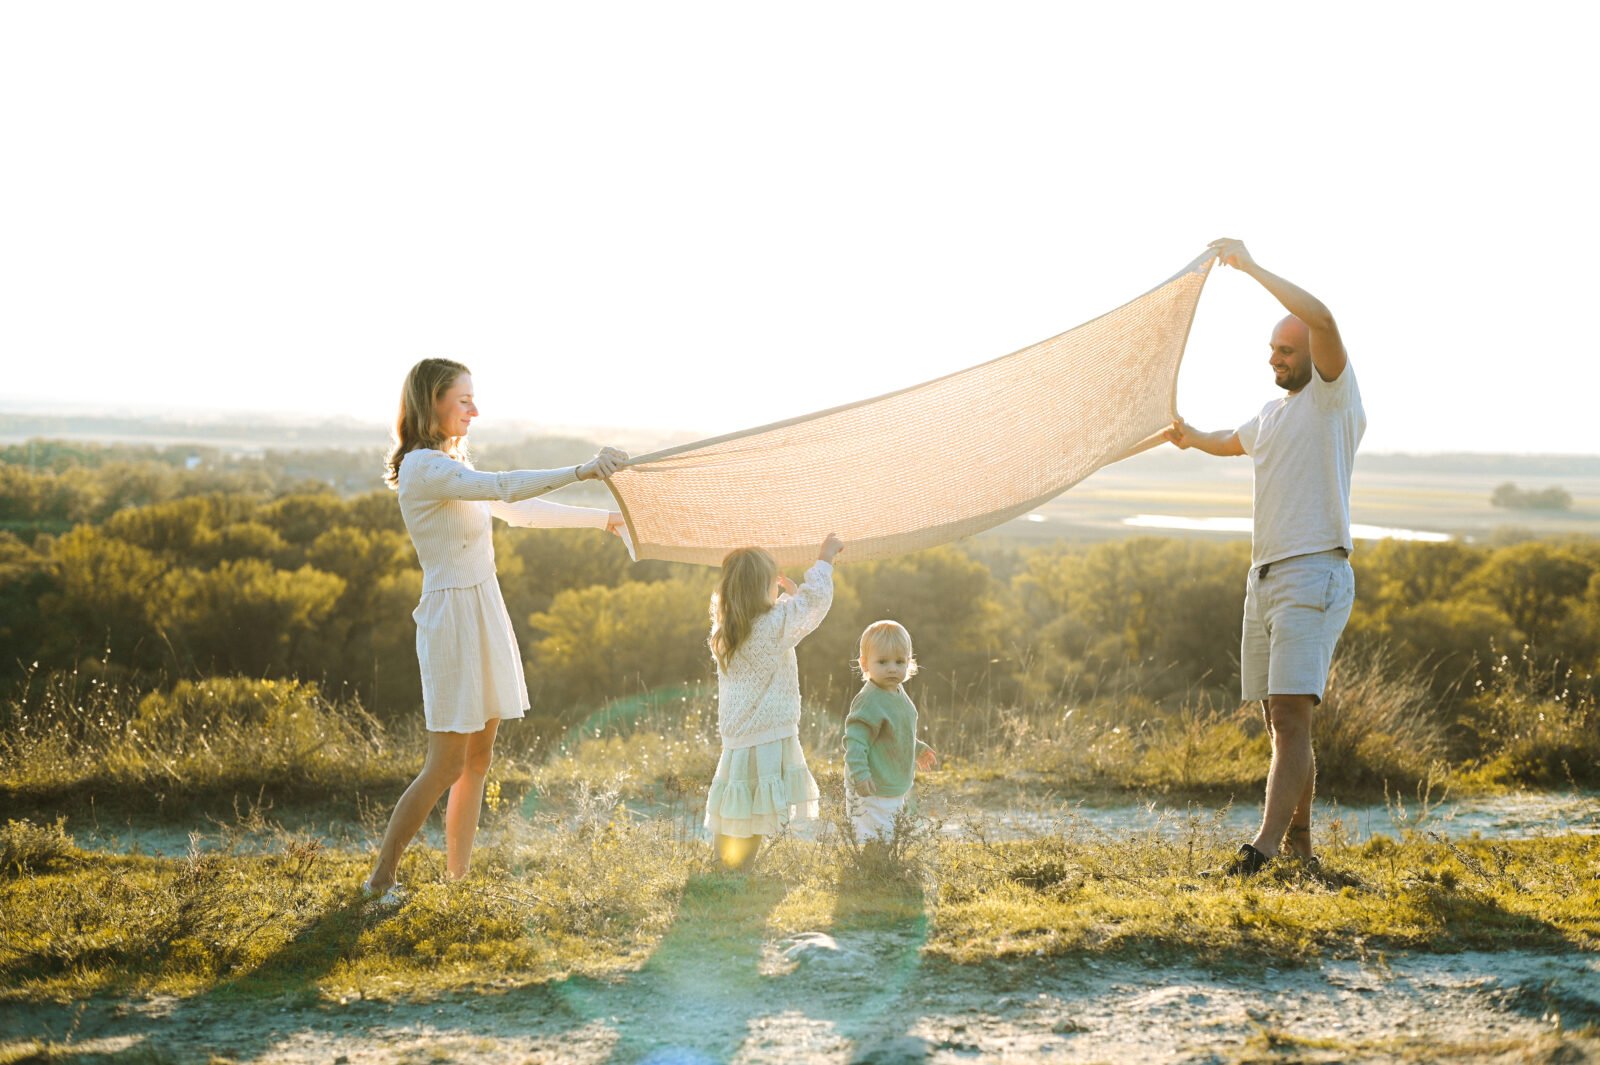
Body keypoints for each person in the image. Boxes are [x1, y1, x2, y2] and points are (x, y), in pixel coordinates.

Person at [362, 357, 629, 903]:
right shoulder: (422, 468)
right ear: (431, 402)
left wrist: (601, 519)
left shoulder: (449, 464)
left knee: (478, 759)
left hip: (483, 606)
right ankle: (379, 880)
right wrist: (583, 470)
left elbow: (520, 513)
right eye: (464, 401)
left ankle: (455, 881)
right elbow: (506, 488)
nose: (474, 411)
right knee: (444, 764)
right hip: (451, 618)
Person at [1164, 238, 1366, 877]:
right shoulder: (1273, 414)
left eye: (1286, 350)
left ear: (1312, 356)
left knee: (1290, 714)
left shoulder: (1331, 399)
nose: (1274, 359)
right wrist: (1191, 438)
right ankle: (1303, 849)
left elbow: (1325, 319)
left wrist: (1248, 268)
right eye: (1272, 350)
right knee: (1282, 723)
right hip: (1266, 578)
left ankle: (1263, 852)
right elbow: (1233, 441)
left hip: (1315, 571)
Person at [705, 534, 843, 870]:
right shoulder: (772, 626)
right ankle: (737, 871)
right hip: (765, 735)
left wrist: (788, 597)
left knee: (735, 804)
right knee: (754, 810)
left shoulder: (726, 630)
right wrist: (824, 559)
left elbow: (791, 616)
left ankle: (722, 866)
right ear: (761, 589)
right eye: (771, 583)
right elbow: (813, 604)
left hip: (738, 738)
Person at [843, 620, 938, 842]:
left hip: (891, 783)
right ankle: (870, 870)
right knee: (872, 834)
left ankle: (882, 868)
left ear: (909, 663)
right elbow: (855, 742)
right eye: (883, 661)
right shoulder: (869, 700)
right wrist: (860, 774)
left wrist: (917, 748)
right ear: (865, 664)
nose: (892, 668)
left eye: (899, 661)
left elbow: (897, 733)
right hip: (870, 784)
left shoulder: (897, 693)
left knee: (888, 833)